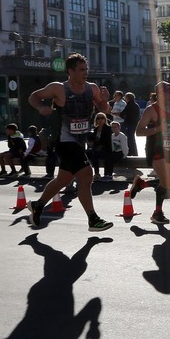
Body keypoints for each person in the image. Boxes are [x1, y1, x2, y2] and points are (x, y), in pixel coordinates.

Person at [25, 53, 113, 231]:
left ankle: (38, 205)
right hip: (63, 140)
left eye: (86, 69)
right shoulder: (58, 88)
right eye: (81, 70)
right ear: (70, 71)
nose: (85, 73)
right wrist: (41, 107)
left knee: (63, 180)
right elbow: (33, 96)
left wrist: (105, 100)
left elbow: (105, 110)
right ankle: (93, 219)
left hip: (80, 141)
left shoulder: (92, 88)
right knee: (86, 174)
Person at [131, 81, 170, 224]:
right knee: (166, 182)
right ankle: (157, 213)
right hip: (154, 148)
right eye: (168, 92)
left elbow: (168, 127)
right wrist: (157, 129)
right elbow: (139, 131)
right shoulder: (151, 110)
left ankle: (141, 184)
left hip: (168, 149)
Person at [86, 112, 113, 180]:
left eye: (102, 118)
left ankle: (97, 173)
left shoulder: (108, 129)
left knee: (95, 154)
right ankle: (86, 173)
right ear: (96, 120)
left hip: (106, 148)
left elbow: (107, 141)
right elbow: (94, 140)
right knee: (87, 154)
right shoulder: (95, 129)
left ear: (105, 119)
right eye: (98, 118)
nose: (100, 120)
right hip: (96, 148)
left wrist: (99, 145)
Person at [122, 91, 140, 156]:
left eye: (125, 98)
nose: (125, 99)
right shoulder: (136, 105)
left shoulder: (129, 105)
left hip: (129, 124)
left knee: (129, 138)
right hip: (134, 124)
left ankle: (131, 152)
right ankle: (134, 152)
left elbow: (123, 114)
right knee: (131, 138)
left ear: (128, 98)